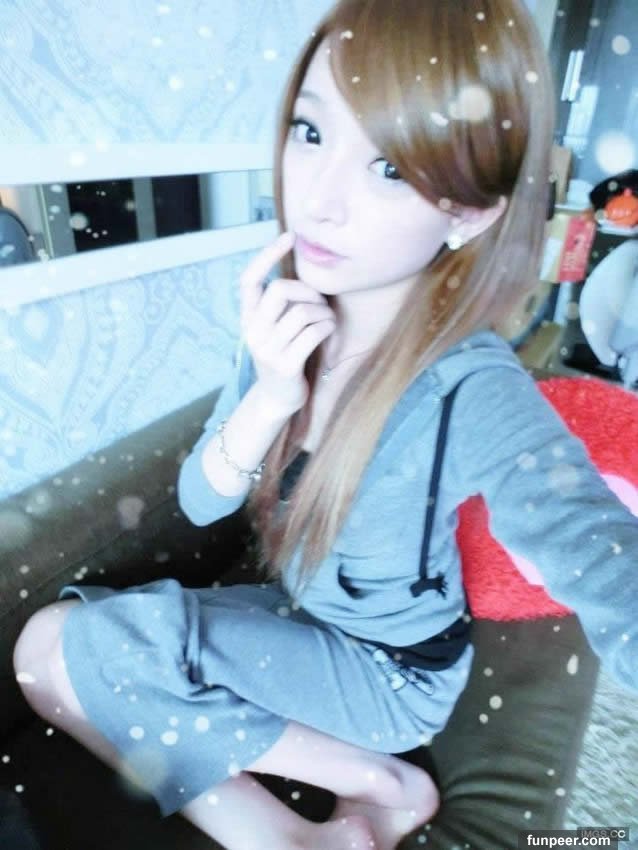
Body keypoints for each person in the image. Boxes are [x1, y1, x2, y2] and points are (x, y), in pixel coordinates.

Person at [12, 1, 638, 849]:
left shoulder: (470, 387)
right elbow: (200, 501)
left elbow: (600, 554)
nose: (318, 200)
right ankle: (370, 791)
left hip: (388, 678)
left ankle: (324, 815)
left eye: (388, 167)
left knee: (65, 654)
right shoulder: (286, 315)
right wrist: (270, 394)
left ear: (468, 213)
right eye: (310, 133)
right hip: (296, 621)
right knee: (46, 658)